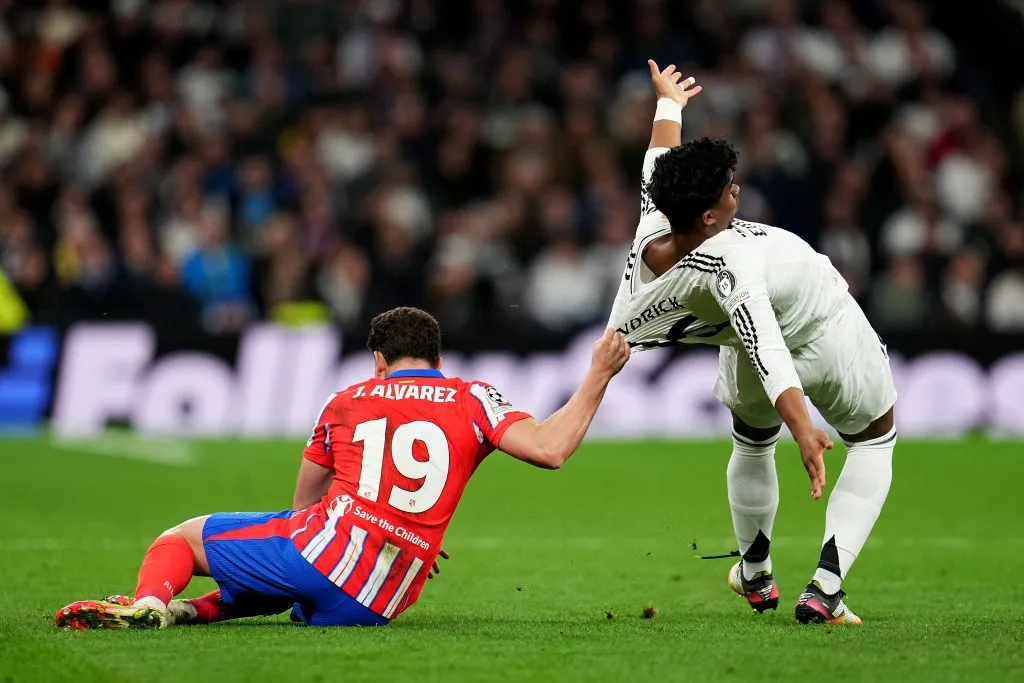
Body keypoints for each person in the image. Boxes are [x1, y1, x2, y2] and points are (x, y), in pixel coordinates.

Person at [56, 307, 630, 629]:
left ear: (379, 361)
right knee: (286, 586)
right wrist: (600, 373)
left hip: (326, 557)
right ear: (438, 358)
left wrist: (360, 524)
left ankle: (149, 602)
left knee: (179, 539)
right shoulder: (474, 397)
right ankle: (185, 614)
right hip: (382, 599)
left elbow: (306, 506)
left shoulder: (349, 399)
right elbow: (551, 448)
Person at [608, 61, 897, 625]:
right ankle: (826, 588)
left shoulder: (657, 223)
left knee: (750, 441)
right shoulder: (733, 265)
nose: (738, 189)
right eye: (729, 189)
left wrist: (669, 105)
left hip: (743, 349)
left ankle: (756, 573)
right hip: (824, 331)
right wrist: (805, 430)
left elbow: (658, 161)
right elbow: (769, 348)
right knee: (875, 441)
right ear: (712, 214)